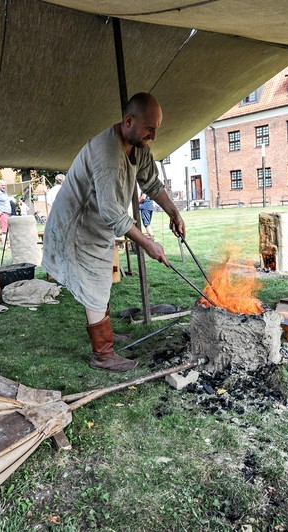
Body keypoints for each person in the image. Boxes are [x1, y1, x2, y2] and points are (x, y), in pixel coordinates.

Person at [42, 92, 185, 372]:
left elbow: (152, 184)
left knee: (102, 281)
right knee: (94, 286)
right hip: (77, 226)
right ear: (128, 120)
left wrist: (174, 212)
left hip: (100, 227)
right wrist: (147, 244)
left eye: (156, 129)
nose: (153, 136)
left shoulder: (139, 146)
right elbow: (111, 212)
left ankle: (105, 333)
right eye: (149, 129)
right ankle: (102, 353)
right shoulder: (106, 153)